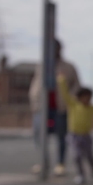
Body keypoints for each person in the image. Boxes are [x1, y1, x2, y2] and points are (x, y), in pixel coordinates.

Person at [29, 39, 81, 176]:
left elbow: (76, 85)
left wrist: (71, 98)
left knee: (61, 136)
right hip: (42, 107)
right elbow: (36, 84)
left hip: (60, 107)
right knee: (39, 134)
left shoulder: (69, 67)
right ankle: (43, 161)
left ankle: (60, 163)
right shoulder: (42, 66)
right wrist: (33, 98)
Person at [57, 75, 93, 185]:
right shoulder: (73, 105)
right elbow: (65, 95)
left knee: (89, 156)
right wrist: (62, 81)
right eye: (85, 97)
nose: (87, 100)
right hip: (74, 135)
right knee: (76, 156)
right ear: (79, 97)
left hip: (86, 136)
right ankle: (81, 174)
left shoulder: (91, 108)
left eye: (89, 98)